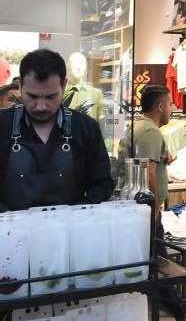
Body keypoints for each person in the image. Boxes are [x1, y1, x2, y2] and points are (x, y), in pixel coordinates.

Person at [119, 85, 186, 321]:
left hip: (136, 206)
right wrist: (155, 205)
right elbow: (147, 170)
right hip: (145, 208)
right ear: (160, 106)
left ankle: (181, 311)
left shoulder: (138, 127)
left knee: (155, 260)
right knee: (156, 262)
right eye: (170, 104)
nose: (172, 108)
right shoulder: (150, 131)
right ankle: (182, 311)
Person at [0, 49, 113, 210]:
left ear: (64, 85)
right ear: (20, 86)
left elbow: (102, 184)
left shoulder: (85, 128)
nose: (41, 106)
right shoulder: (2, 125)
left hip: (72, 224)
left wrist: (76, 214)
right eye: (32, 96)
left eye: (50, 97)